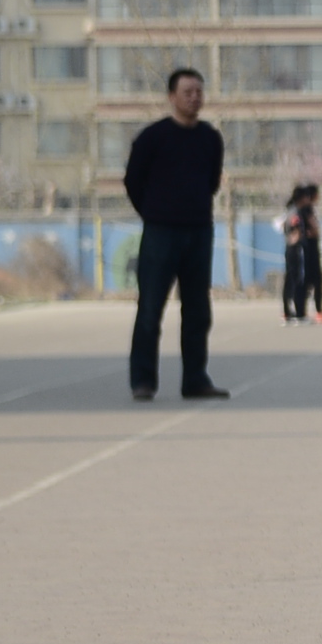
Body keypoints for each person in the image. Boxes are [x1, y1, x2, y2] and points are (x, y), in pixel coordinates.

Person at [123, 66, 228, 403]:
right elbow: (133, 182)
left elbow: (211, 182)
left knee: (198, 310)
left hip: (198, 230)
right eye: (187, 92)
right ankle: (143, 381)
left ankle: (195, 379)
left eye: (199, 91)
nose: (194, 97)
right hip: (160, 232)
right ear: (172, 97)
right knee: (151, 309)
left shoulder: (210, 138)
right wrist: (155, 213)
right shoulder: (152, 138)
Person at [280, 181, 322, 325]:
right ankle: (297, 313)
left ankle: (292, 312)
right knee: (298, 280)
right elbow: (294, 231)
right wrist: (299, 236)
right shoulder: (297, 213)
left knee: (294, 280)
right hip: (297, 250)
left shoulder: (292, 211)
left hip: (294, 249)